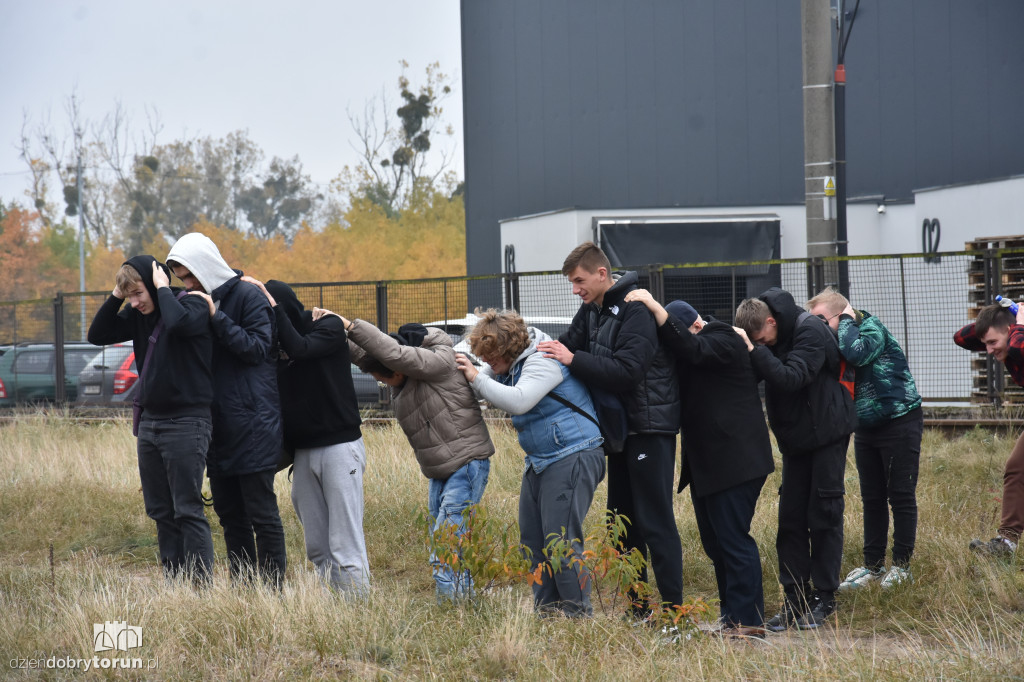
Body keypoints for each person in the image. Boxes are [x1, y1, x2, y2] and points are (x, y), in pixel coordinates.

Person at [537, 241, 682, 617]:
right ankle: (638, 610)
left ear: (602, 274)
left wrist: (573, 358)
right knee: (621, 525)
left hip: (649, 429)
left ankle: (673, 614)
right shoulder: (591, 310)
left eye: (579, 280)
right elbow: (564, 348)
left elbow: (627, 371)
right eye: (572, 282)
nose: (576, 289)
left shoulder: (635, 310)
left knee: (655, 522)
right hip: (618, 433)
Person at [624, 290, 774, 637]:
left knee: (734, 540)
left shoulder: (721, 336)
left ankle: (749, 621)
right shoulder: (694, 353)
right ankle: (732, 617)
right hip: (710, 466)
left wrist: (653, 307)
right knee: (716, 543)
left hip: (736, 461)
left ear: (693, 324)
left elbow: (692, 348)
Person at [327, 311, 495, 600]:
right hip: (440, 469)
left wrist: (351, 326)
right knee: (443, 539)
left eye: (384, 379)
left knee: (446, 544)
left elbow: (391, 353)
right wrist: (326, 327)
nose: (384, 384)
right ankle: (464, 602)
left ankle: (453, 612)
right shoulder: (404, 373)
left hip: (466, 463)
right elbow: (368, 355)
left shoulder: (439, 361)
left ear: (398, 369)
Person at [457, 309, 606, 617]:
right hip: (541, 460)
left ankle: (579, 618)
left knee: (560, 541)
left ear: (507, 349)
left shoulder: (543, 359)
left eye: (492, 358)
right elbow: (484, 383)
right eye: (483, 358)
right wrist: (474, 372)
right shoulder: (510, 361)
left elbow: (518, 400)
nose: (487, 365)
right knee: (533, 542)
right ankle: (547, 613)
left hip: (573, 453)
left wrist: (475, 377)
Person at [165, 233, 287, 589]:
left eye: (189, 276)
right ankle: (245, 588)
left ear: (204, 265)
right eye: (182, 279)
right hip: (216, 427)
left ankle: (274, 589)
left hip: (252, 423)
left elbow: (257, 348)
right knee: (230, 516)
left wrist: (217, 317)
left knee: (262, 514)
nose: (188, 285)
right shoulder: (196, 302)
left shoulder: (247, 296)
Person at [87, 256, 216, 584]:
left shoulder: (194, 305)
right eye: (129, 296)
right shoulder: (135, 313)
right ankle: (176, 587)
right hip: (151, 424)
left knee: (187, 509)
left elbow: (177, 324)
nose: (134, 302)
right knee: (161, 512)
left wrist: (161, 289)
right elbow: (97, 334)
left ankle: (200, 591)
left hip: (187, 422)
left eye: (138, 293)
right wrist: (117, 294)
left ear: (156, 282)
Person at [734, 287, 856, 631]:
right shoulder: (768, 339)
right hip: (795, 441)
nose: (763, 346)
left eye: (763, 339)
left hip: (827, 433)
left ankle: (824, 597)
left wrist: (754, 352)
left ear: (771, 321)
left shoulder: (810, 331)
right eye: (756, 342)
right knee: (790, 520)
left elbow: (791, 378)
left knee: (824, 513)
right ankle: (795, 598)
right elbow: (759, 371)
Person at [244, 277, 370, 594]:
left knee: (345, 544)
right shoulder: (271, 347)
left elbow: (300, 348)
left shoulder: (325, 326)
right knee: (317, 545)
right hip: (303, 453)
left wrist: (271, 306)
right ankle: (334, 614)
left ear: (280, 308)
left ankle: (358, 616)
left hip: (340, 447)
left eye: (267, 311)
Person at [808, 287, 923, 590]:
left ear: (842, 313)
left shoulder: (870, 327)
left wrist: (845, 321)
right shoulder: (837, 341)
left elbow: (858, 354)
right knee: (872, 497)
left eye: (822, 319)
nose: (818, 327)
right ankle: (873, 566)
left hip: (899, 419)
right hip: (866, 427)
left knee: (900, 494)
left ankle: (902, 565)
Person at [954, 303, 1024, 558]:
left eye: (993, 342)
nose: (989, 349)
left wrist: (1019, 323)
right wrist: (1004, 317)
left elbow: (1018, 346)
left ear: (1010, 330)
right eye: (986, 343)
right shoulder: (1011, 337)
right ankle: (1006, 544)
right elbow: (960, 338)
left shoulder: (1017, 340)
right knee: (1017, 469)